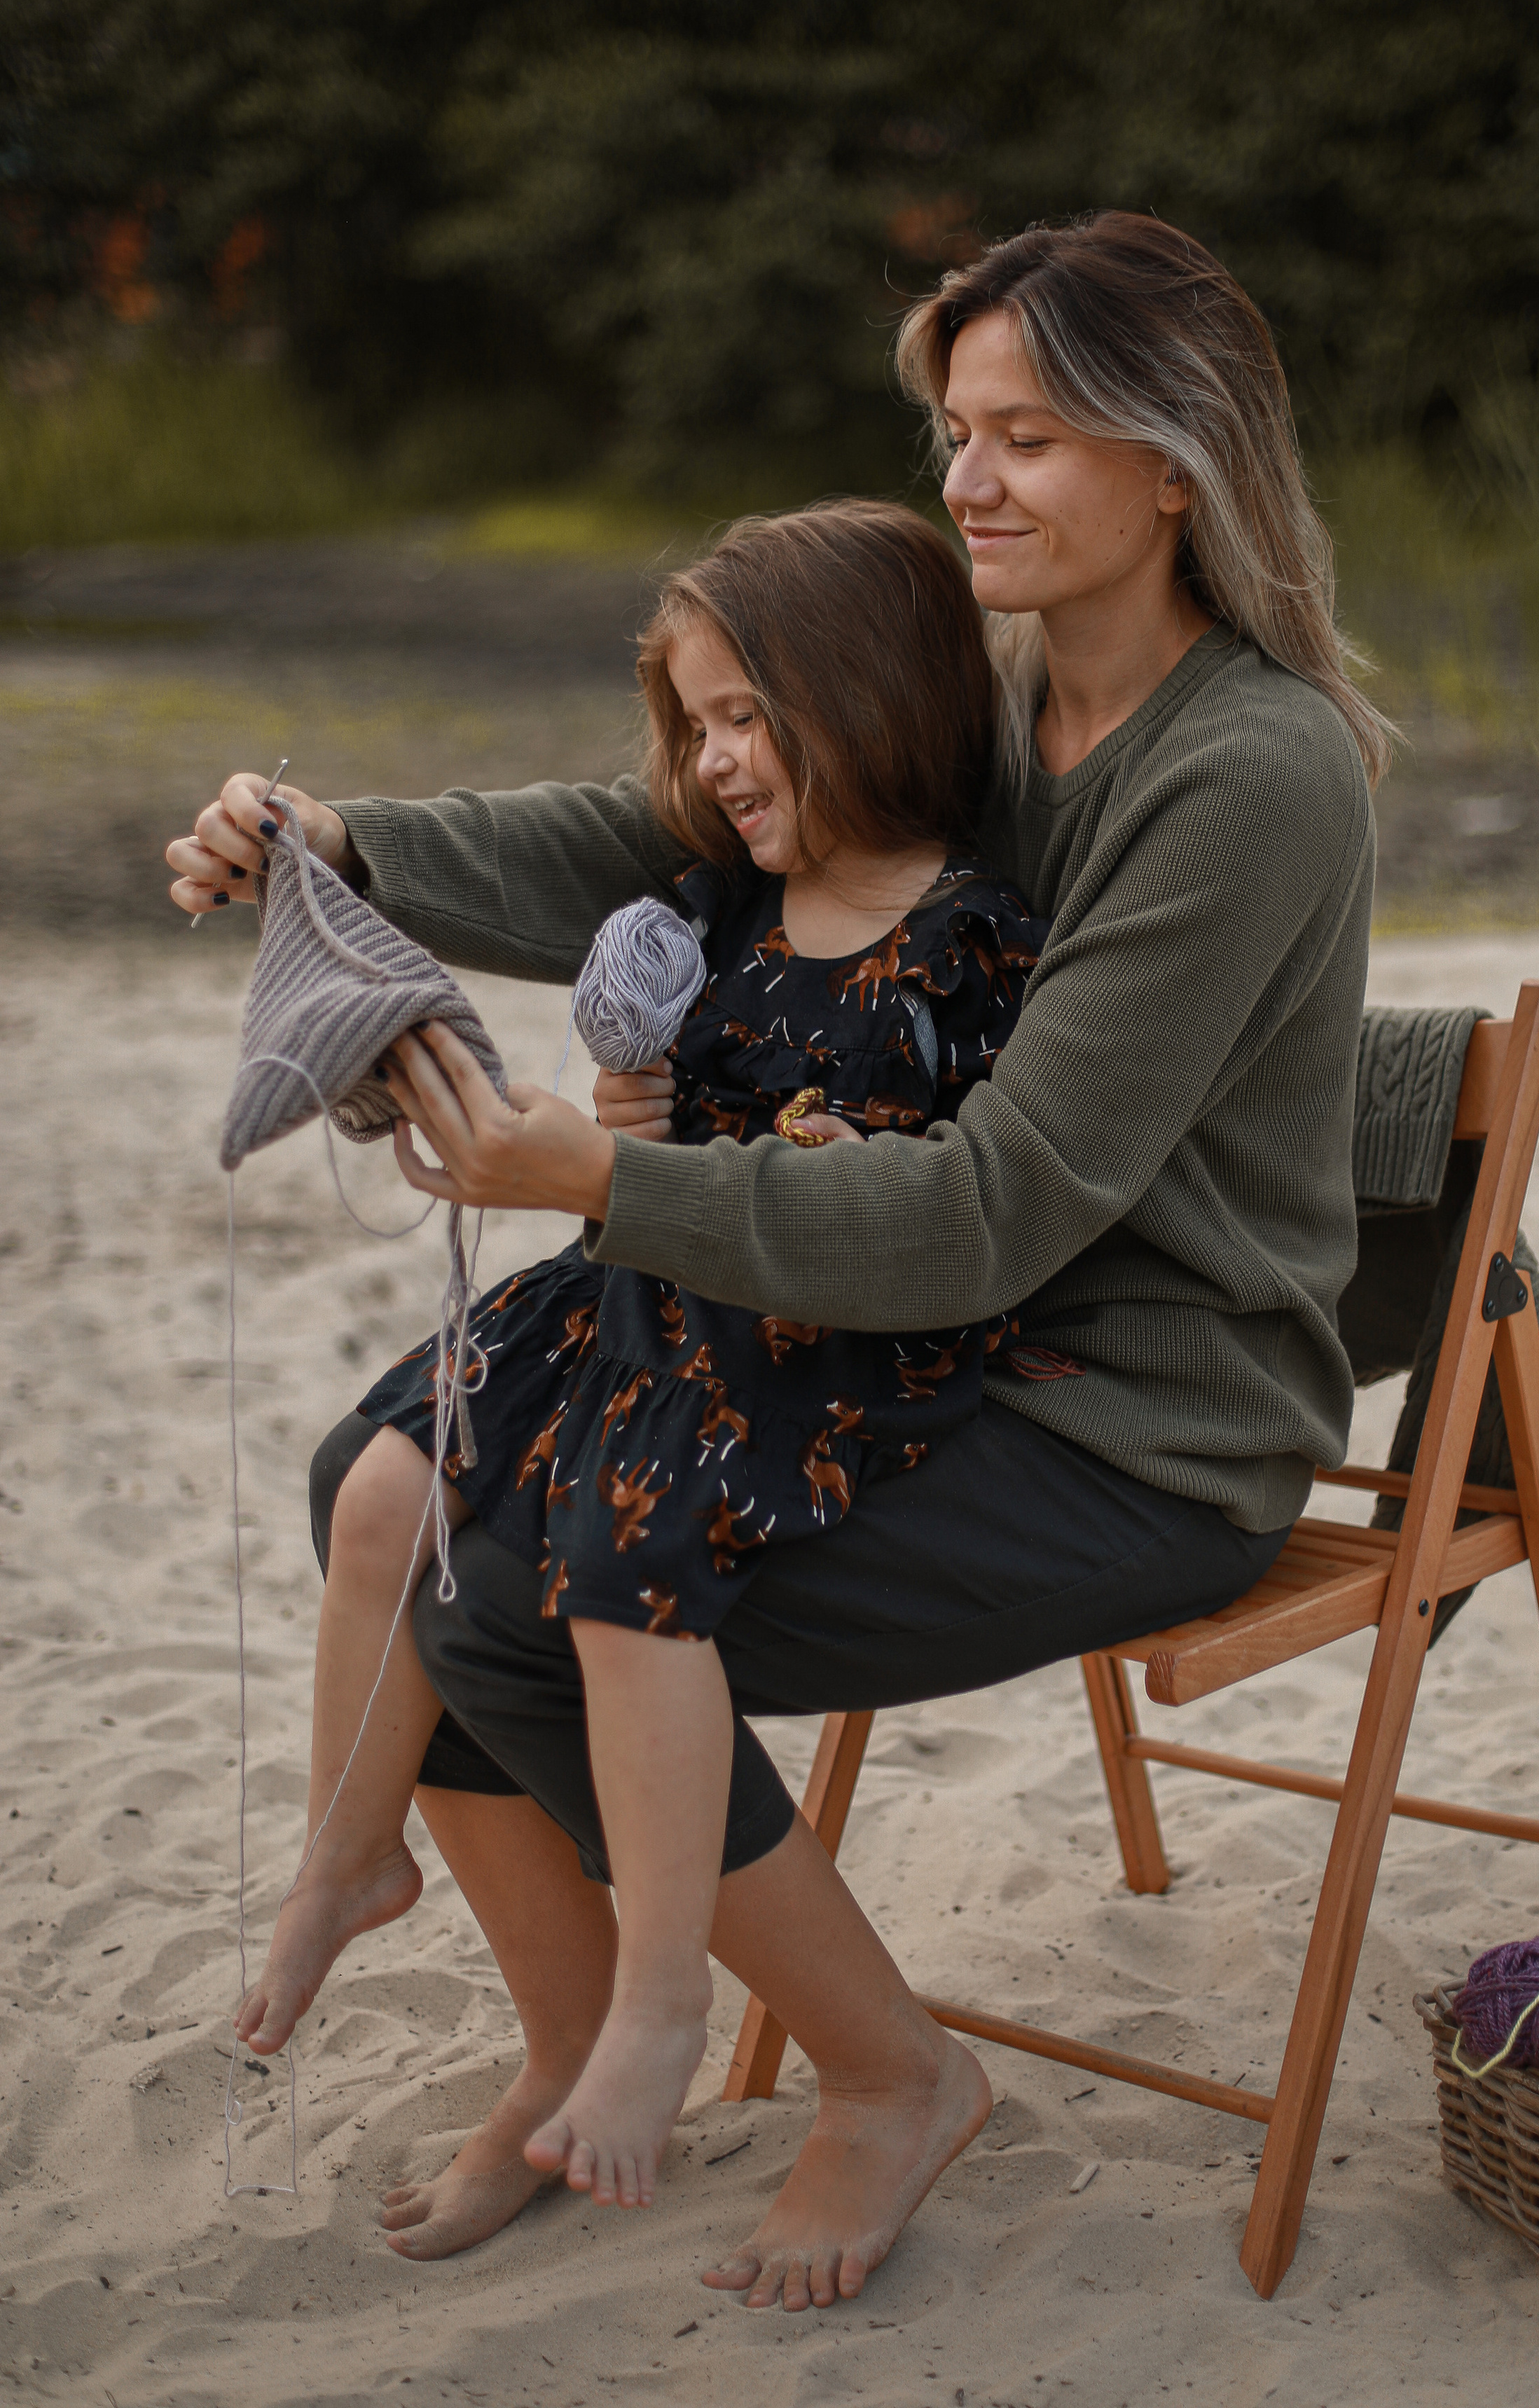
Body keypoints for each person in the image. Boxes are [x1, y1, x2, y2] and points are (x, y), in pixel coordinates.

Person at [167, 210, 1393, 2309]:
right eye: (955, 432)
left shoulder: (1249, 772)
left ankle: (889, 2075)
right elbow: (677, 830)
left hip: (1132, 1423)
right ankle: (572, 2045)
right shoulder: (1001, 702)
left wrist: (598, 1181)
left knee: (530, 1590)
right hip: (895, 1344)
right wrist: (352, 843)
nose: (971, 482)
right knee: (381, 1491)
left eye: (1028, 435)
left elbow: (999, 1201)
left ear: (1175, 463)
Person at [216, 501, 1047, 2218]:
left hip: (820, 1342)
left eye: (750, 714)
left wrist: (695, 1171)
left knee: (611, 1559)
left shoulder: (975, 936)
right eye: (697, 721)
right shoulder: (712, 902)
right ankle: (347, 1857)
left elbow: (940, 1198)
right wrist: (605, 1115)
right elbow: (660, 1103)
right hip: (659, 1283)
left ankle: (663, 1985)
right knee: (386, 1481)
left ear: (876, 691)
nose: (716, 758)